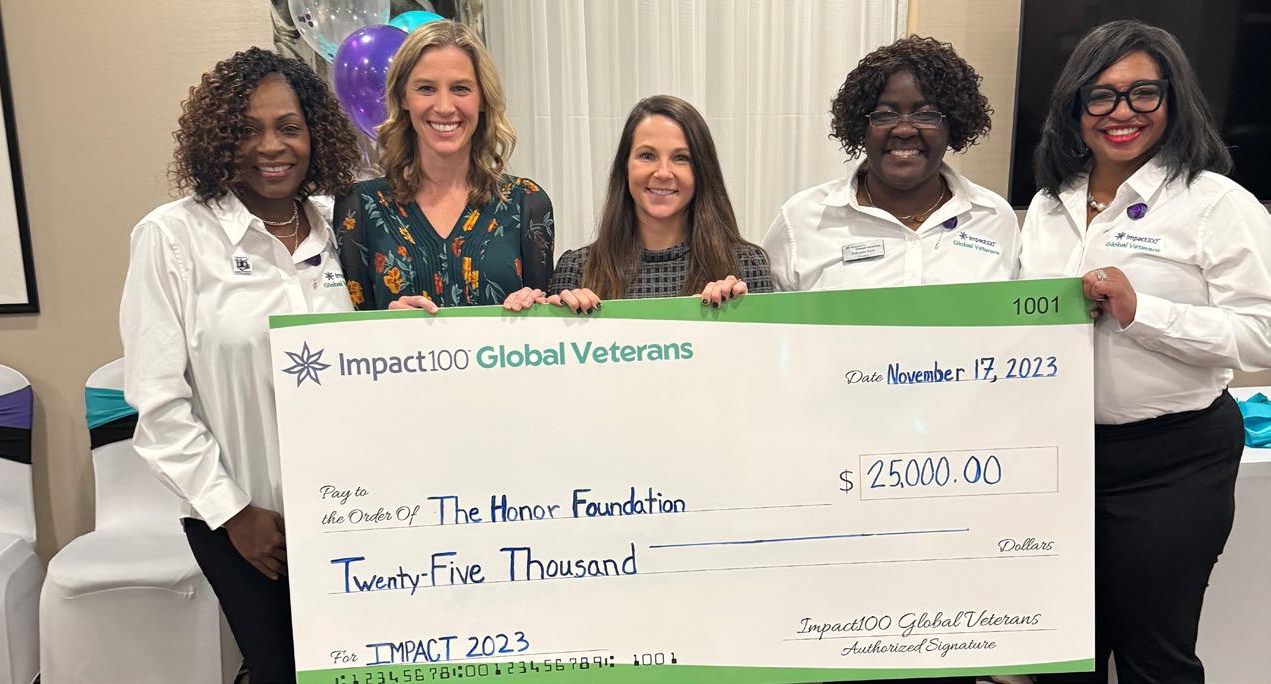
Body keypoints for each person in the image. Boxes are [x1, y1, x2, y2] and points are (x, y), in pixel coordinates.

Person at [1022, 20, 1271, 682]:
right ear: (1075, 107)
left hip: (1171, 461)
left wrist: (1144, 314)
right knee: (1061, 656)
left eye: (1143, 93)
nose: (1121, 112)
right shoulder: (1049, 205)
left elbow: (1262, 333)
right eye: (1100, 95)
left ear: (1173, 99)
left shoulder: (1217, 205)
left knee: (1154, 658)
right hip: (1059, 459)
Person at [119, 48, 361, 683]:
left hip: (357, 515)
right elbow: (157, 403)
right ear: (220, 137)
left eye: (289, 127)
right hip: (251, 530)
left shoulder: (346, 228)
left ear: (315, 134)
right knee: (280, 672)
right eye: (249, 129)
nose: (271, 146)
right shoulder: (172, 237)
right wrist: (231, 512)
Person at [762, 36, 1017, 292]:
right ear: (861, 127)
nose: (904, 130)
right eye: (884, 115)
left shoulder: (994, 218)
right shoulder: (802, 219)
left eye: (925, 115)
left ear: (954, 125)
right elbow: (764, 314)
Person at [335, 20, 554, 314]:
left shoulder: (525, 202)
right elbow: (347, 330)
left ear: (483, 98)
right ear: (403, 97)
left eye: (460, 89)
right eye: (426, 88)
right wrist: (384, 326)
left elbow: (544, 328)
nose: (444, 107)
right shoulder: (359, 206)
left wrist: (537, 305)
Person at [530, 95, 771, 314]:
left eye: (681, 158)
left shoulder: (746, 265)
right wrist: (527, 317)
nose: (663, 172)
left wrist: (738, 315)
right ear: (625, 166)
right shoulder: (576, 269)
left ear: (702, 171)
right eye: (647, 155)